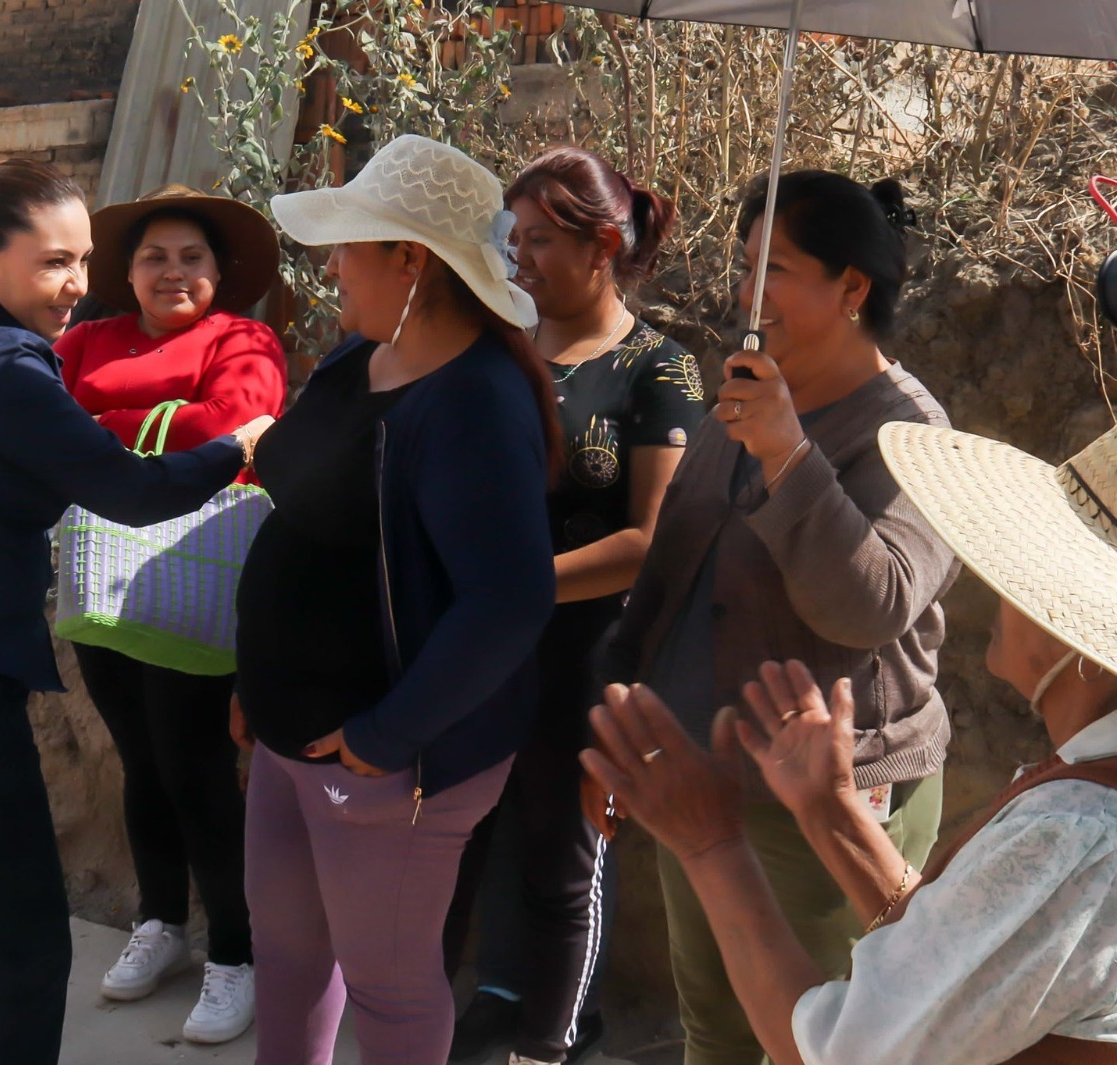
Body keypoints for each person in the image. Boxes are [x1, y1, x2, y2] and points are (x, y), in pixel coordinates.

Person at [0, 160, 273, 1065]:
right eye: (55, 262)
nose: (78, 284)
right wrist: (238, 444)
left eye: (82, 262)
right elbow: (131, 490)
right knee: (24, 947)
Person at [584, 419, 1117, 1065]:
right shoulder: (1086, 807)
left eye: (1025, 571)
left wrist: (710, 841)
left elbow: (841, 1054)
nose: (1002, 588)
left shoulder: (1075, 832)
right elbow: (957, 960)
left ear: (1075, 634)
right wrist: (831, 812)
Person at [596, 170, 956, 1065]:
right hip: (705, 779)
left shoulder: (916, 433)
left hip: (830, 800)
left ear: (852, 287)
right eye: (745, 261)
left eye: (778, 268)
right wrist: (618, 724)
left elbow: (869, 606)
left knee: (827, 1037)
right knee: (716, 1028)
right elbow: (673, 569)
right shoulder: (749, 392)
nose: (747, 292)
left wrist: (791, 455)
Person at [231, 133, 562, 1065]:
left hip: (388, 762)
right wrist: (259, 682)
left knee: (388, 986)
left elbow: (508, 600)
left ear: (412, 260)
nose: (332, 266)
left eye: (352, 244)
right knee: (288, 959)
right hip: (293, 735)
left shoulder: (474, 400)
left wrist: (385, 736)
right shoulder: (354, 362)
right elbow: (304, 514)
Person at [443, 146, 703, 1065]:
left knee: (564, 855)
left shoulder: (658, 369)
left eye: (541, 239)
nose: (520, 257)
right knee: (458, 840)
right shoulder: (494, 352)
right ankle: (465, 1012)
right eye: (514, 238)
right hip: (476, 647)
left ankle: (553, 1042)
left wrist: (513, 583)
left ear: (603, 245)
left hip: (586, 654)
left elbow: (651, 539)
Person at [53, 184, 286, 1043]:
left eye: (192, 257)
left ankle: (236, 953)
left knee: (195, 767)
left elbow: (236, 421)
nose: (173, 272)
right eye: (155, 256)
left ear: (220, 272)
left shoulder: (246, 339)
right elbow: (51, 422)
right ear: (128, 270)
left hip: (201, 571)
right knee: (140, 762)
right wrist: (161, 431)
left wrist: (104, 431)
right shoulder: (83, 339)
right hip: (107, 580)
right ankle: (160, 924)